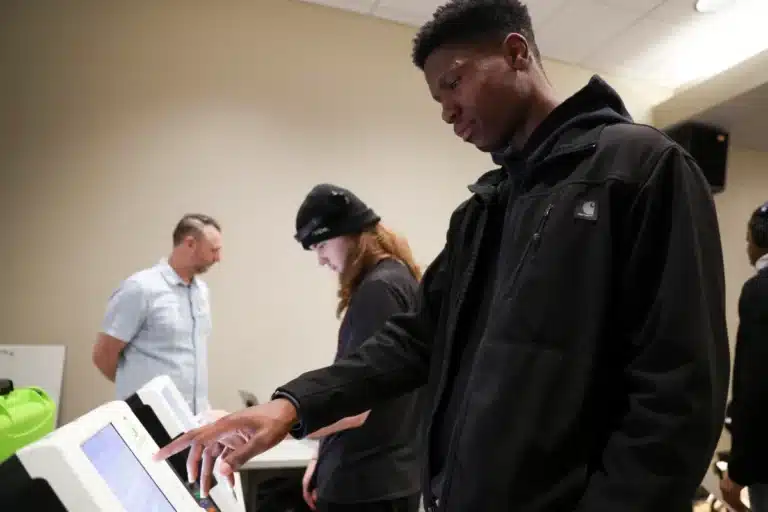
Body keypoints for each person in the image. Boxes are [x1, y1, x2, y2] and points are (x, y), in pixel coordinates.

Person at [156, 1, 730, 510]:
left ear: (515, 53)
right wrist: (290, 407)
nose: (447, 110)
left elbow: (678, 396)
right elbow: (413, 339)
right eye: (438, 97)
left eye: (454, 83)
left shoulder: (641, 170)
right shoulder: (483, 210)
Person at [294, 184, 424, 512]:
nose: (321, 259)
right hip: (383, 479)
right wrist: (321, 455)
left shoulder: (380, 290)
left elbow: (355, 401)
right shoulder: (396, 279)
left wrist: (280, 423)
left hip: (367, 487)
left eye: (322, 244)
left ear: (352, 235)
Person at [92, 213, 222, 416]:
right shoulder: (141, 288)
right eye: (213, 250)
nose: (218, 258)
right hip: (149, 418)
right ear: (190, 244)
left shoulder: (201, 291)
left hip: (193, 418)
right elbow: (103, 355)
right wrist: (139, 391)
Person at [720, 203, 768, 512]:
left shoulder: (759, 293)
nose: (746, 246)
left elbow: (756, 384)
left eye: (747, 237)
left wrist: (738, 469)